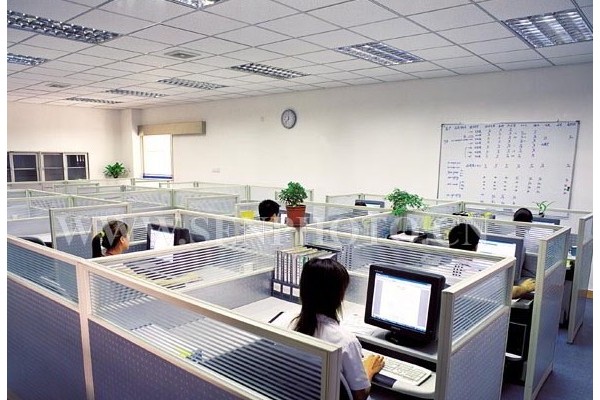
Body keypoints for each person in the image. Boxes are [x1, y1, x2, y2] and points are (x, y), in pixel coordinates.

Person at [292, 258, 384, 400]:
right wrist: (368, 370)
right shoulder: (346, 342)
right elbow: (360, 395)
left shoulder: (289, 326)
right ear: (339, 296)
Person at [448, 223, 535, 299]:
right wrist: (524, 287)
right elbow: (509, 293)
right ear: (475, 247)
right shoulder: (480, 276)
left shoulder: (443, 270)